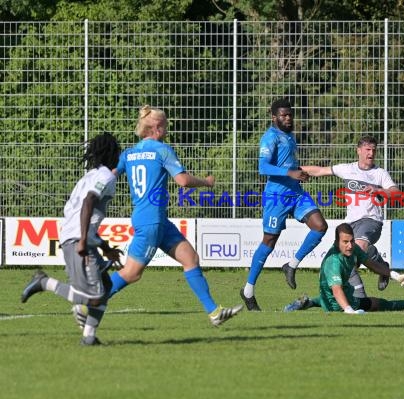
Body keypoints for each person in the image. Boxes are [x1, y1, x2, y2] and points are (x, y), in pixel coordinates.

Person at [106, 105, 242, 326]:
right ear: (157, 128)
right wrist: (206, 182)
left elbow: (110, 176)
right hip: (152, 221)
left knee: (190, 258)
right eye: (166, 126)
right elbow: (183, 181)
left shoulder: (128, 154)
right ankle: (90, 302)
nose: (167, 130)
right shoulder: (162, 150)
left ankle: (214, 312)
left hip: (155, 220)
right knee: (131, 273)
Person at [21, 132, 124, 346]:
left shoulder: (89, 176)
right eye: (118, 152)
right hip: (78, 238)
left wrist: (104, 247)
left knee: (104, 285)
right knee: (95, 297)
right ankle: (43, 283)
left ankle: (88, 337)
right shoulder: (106, 176)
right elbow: (88, 203)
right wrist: (84, 241)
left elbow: (85, 210)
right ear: (111, 154)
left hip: (77, 235)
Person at [240, 99, 328, 311]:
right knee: (269, 241)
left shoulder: (289, 135)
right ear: (274, 117)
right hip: (276, 197)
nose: (288, 118)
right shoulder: (269, 137)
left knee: (320, 226)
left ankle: (291, 265)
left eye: (290, 114)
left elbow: (286, 164)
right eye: (283, 115)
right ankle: (248, 290)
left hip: (295, 193)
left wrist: (299, 171)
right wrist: (290, 173)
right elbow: (263, 166)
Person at [301, 135, 404, 298]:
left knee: (352, 253)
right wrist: (291, 170)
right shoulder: (347, 169)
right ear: (358, 151)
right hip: (351, 223)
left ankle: (359, 297)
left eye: (373, 150)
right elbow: (320, 171)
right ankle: (381, 266)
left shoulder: (379, 173)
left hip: (371, 221)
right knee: (339, 256)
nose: (371, 153)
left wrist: (380, 191)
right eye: (367, 149)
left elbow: (396, 193)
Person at [283, 223, 404, 313]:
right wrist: (349, 311)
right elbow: (337, 290)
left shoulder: (353, 248)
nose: (350, 245)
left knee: (331, 297)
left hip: (337, 294)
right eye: (345, 242)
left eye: (351, 241)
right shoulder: (333, 262)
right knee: (381, 304)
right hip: (337, 304)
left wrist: (394, 275)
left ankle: (308, 302)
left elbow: (371, 264)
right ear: (336, 241)